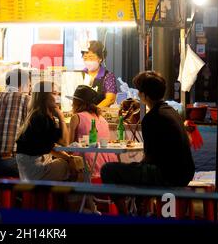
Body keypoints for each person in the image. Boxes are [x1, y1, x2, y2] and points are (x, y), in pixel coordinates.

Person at [101, 71, 195, 214]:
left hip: (167, 175)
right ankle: (140, 209)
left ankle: (124, 216)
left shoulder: (152, 118)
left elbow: (150, 158)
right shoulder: (171, 112)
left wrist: (135, 174)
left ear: (144, 95)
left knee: (108, 170)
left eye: (139, 91)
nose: (138, 94)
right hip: (185, 173)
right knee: (134, 170)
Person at [16, 81, 77, 181]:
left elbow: (50, 147)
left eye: (58, 93)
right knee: (77, 165)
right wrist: (61, 117)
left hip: (30, 169)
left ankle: (63, 196)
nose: (57, 97)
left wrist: (69, 158)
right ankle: (79, 196)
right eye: (54, 93)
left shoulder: (39, 116)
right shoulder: (41, 118)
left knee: (74, 161)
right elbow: (64, 142)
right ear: (44, 97)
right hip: (35, 170)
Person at [67, 85, 117, 179]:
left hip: (88, 166)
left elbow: (70, 147)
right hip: (108, 166)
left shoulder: (77, 117)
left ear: (76, 102)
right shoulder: (102, 119)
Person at [81, 40, 117, 107]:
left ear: (100, 58)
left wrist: (93, 111)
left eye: (91, 57)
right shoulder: (80, 74)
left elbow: (110, 99)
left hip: (99, 114)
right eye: (85, 57)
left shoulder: (108, 76)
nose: (88, 60)